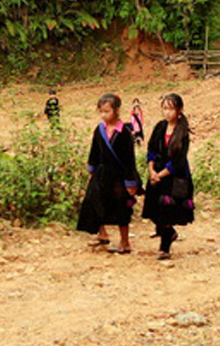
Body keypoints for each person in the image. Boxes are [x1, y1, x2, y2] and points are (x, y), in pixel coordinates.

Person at [76, 94, 140, 254]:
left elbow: (129, 159)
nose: (104, 115)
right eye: (101, 112)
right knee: (94, 201)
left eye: (107, 111)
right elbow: (94, 151)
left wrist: (131, 182)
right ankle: (102, 233)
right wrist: (91, 170)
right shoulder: (100, 129)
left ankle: (125, 242)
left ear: (116, 110)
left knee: (121, 208)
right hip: (101, 173)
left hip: (119, 176)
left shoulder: (124, 133)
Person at [142, 93, 195, 260]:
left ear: (179, 110)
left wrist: (161, 174)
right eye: (164, 108)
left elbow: (178, 160)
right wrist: (151, 170)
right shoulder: (160, 127)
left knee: (167, 212)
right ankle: (169, 233)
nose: (167, 112)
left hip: (174, 177)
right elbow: (151, 149)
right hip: (156, 173)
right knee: (152, 209)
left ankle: (164, 248)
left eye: (170, 109)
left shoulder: (182, 132)